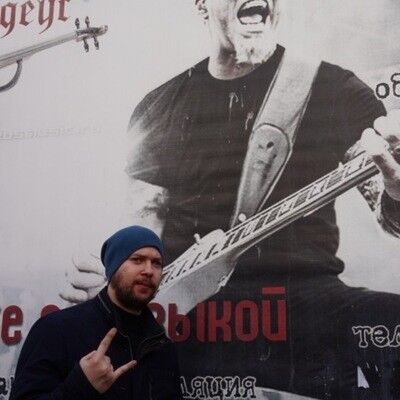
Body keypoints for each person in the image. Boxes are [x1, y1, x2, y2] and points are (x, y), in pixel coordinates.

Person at [61, 0, 400, 398]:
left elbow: (389, 212)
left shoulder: (334, 88)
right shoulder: (159, 107)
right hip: (198, 317)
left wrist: (396, 191)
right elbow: (142, 234)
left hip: (306, 299)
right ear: (202, 5)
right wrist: (113, 283)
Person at [10, 225, 183, 400]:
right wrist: (81, 385)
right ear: (113, 267)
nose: (149, 271)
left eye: (156, 263)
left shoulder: (162, 347)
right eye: (137, 260)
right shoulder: (56, 330)